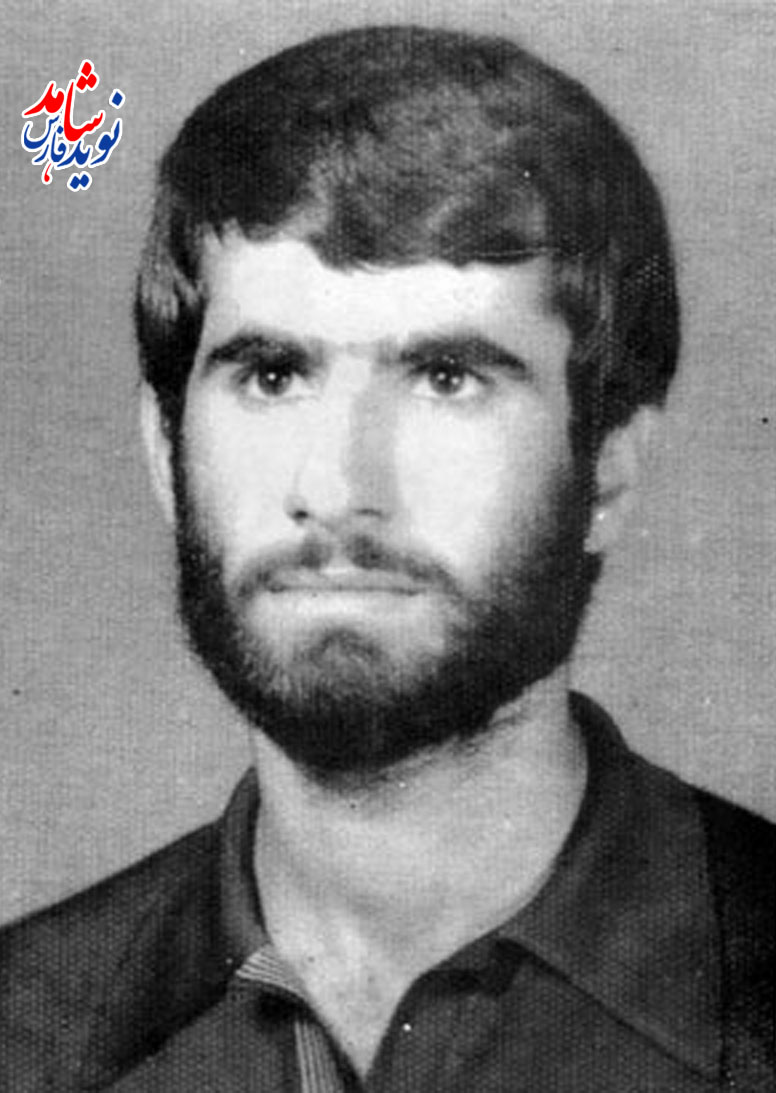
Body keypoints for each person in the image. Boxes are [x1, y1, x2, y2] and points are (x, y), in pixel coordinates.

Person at [1, 24, 773, 1093]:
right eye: (272, 375)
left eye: (446, 377)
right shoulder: (22, 1031)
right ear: (165, 453)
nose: (338, 484)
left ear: (605, 468)